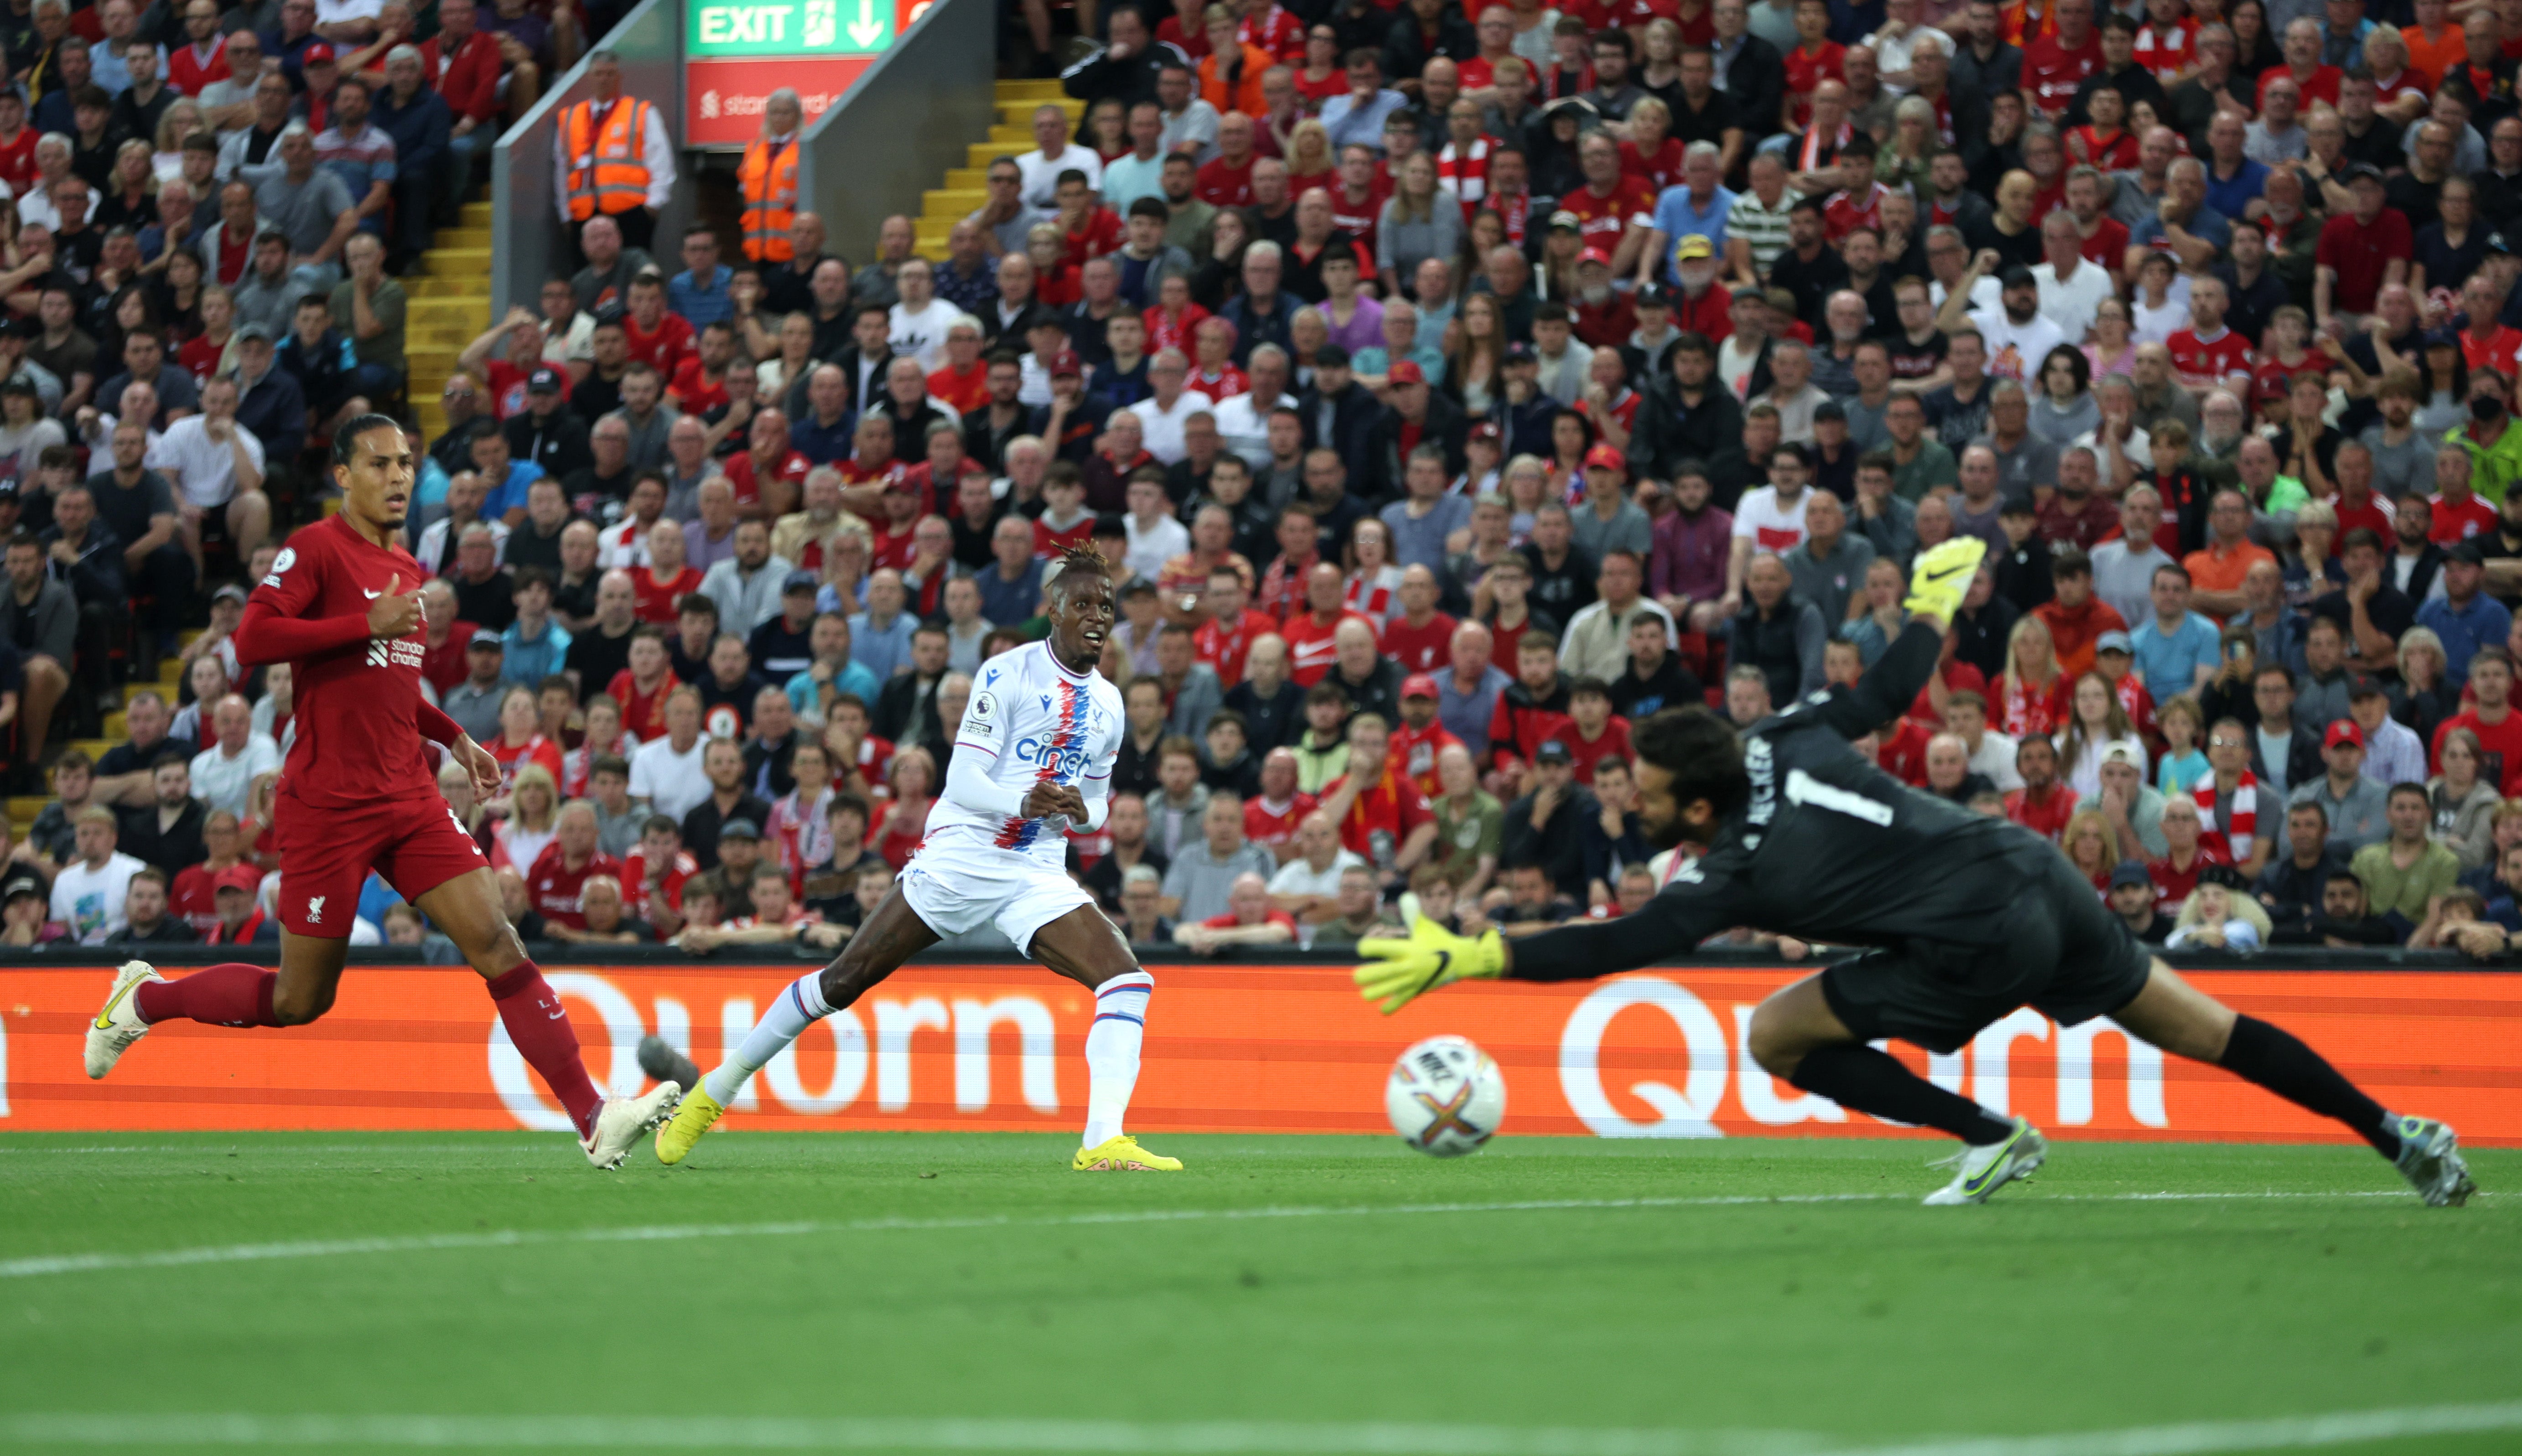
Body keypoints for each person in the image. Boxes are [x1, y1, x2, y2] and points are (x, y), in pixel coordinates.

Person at [1354, 537, 2477, 1209]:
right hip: (2033, 869)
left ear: (1693, 805)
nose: (1627, 797)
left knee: (1777, 1036)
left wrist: (1480, 953)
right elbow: (1889, 693)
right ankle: (2399, 1135)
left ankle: (1990, 1139)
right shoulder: (1781, 734)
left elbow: (1614, 947)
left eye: (1642, 792)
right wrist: (1935, 600)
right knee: (2206, 1028)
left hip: (1978, 938)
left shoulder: (1736, 864)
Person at [83, 415, 683, 1170]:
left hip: (409, 793)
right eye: (379, 463)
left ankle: (594, 1115)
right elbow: (254, 641)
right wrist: (361, 620)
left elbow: (388, 680)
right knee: (300, 1000)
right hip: (329, 804)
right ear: (343, 474)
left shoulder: (403, 563)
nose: (398, 476)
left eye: (405, 463)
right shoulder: (314, 550)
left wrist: (451, 736)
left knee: (497, 939)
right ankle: (144, 1001)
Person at [658, 545, 1182, 1175]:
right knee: (842, 982)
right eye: (1085, 605)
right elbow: (961, 781)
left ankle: (1102, 1141)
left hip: (1035, 870)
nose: (1099, 617)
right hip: (962, 857)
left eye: (1107, 606)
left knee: (1127, 979)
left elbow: (1098, 803)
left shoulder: (1110, 705)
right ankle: (715, 1090)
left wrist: (1079, 810)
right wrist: (1022, 797)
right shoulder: (1006, 673)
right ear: (1054, 610)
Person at [548, 50, 672, 256]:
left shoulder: (641, 112)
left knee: (633, 278)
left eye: (610, 73)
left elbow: (661, 161)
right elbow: (562, 168)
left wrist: (652, 206)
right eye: (598, 74)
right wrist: (565, 214)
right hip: (583, 214)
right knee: (587, 281)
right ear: (590, 77)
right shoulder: (570, 118)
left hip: (631, 212)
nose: (604, 79)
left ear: (620, 77)